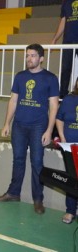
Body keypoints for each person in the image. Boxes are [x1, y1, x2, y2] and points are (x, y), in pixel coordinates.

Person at [0, 43, 59, 214]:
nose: (29, 59)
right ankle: (13, 193)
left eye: (33, 55)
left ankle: (38, 199)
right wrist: (6, 123)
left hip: (39, 126)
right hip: (19, 125)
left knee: (37, 163)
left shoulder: (51, 78)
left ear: (41, 58)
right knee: (18, 160)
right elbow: (13, 101)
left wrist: (49, 130)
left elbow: (53, 106)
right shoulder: (20, 76)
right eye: (27, 55)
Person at [51, 0, 78, 98]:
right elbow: (63, 21)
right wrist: (55, 39)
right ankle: (62, 95)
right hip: (68, 41)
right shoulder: (66, 3)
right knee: (66, 69)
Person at [56, 77, 78, 224]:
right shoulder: (69, 99)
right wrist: (62, 137)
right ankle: (70, 211)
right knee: (72, 179)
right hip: (70, 147)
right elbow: (59, 118)